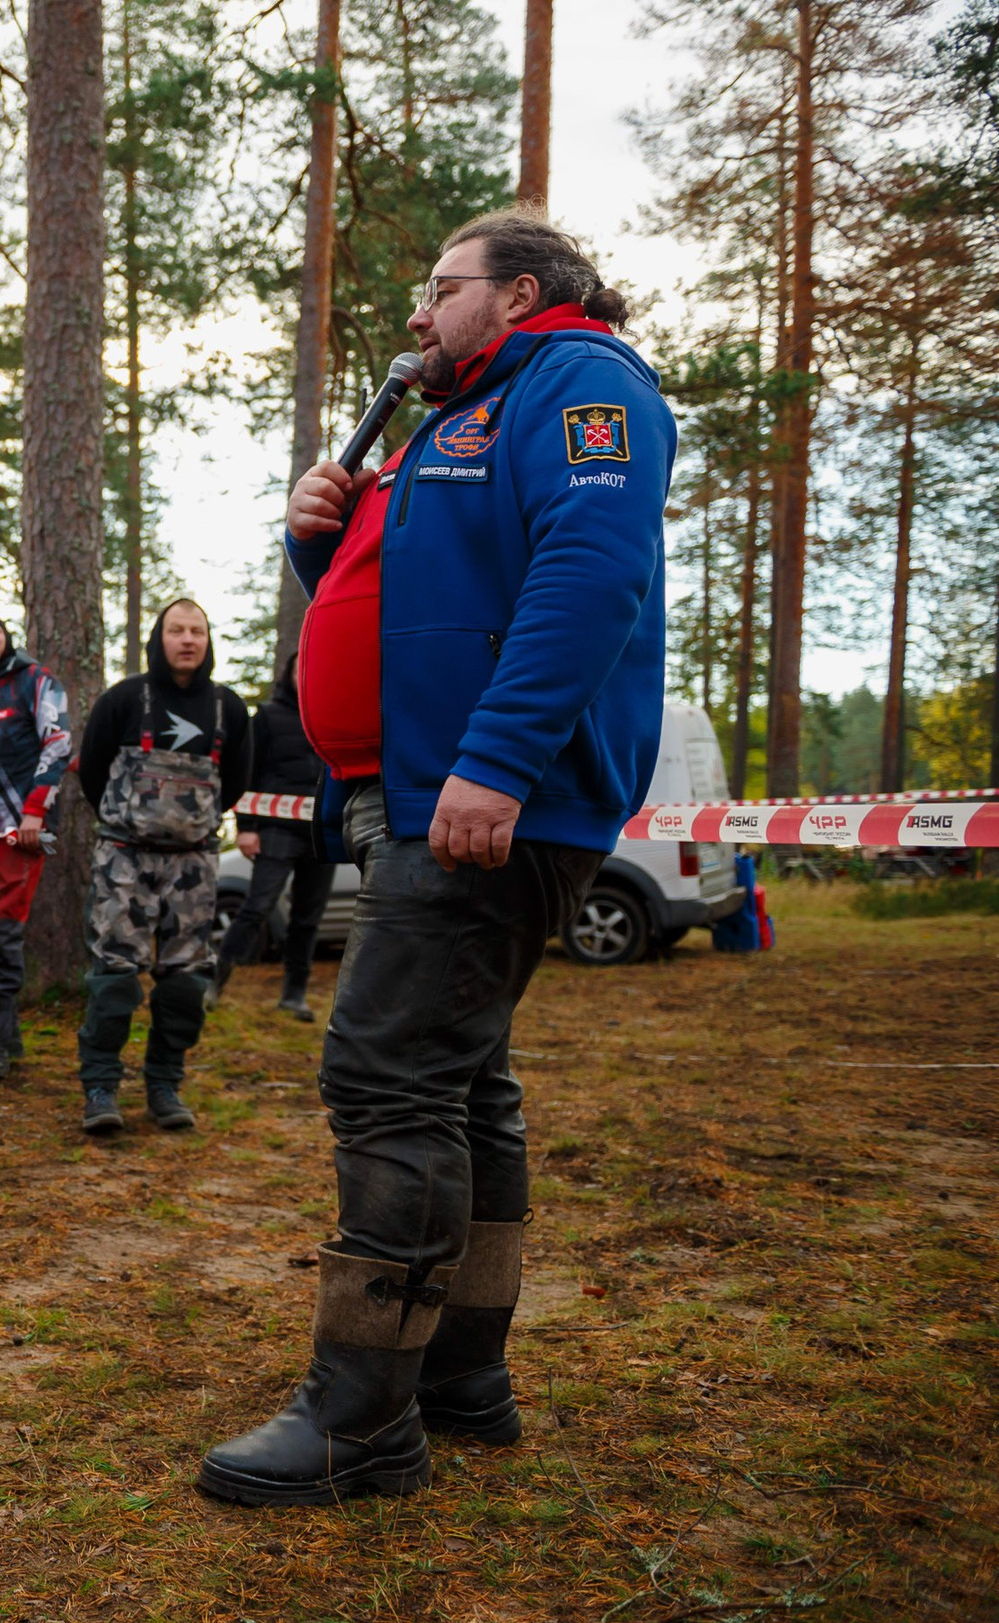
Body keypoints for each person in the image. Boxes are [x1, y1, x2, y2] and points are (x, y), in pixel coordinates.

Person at [199, 210, 673, 1507]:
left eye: (441, 286)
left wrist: (501, 758)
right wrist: (319, 537)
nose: (417, 313)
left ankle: (360, 1420)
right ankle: (461, 1378)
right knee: (462, 1084)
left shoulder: (580, 382)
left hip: (475, 798)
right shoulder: (457, 416)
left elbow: (591, 567)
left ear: (518, 293)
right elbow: (402, 589)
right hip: (403, 792)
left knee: (387, 1072)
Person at [74, 599, 251, 1137]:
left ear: (207, 639)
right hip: (124, 861)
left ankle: (164, 1085)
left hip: (194, 868)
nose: (187, 639)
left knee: (185, 983)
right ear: (161, 637)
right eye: (177, 630)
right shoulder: (125, 699)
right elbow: (92, 772)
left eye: (197, 630)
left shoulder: (229, 708)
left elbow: (238, 781)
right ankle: (101, 1088)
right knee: (114, 980)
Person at [0, 613, 71, 1079]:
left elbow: (59, 743)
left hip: (18, 830)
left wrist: (36, 809)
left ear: (7, 641)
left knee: (1, 934)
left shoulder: (37, 681)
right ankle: (4, 1033)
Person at [212, 664, 334, 1022]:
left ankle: (294, 996)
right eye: (299, 669)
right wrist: (247, 827)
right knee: (257, 907)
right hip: (275, 830)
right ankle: (214, 982)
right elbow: (245, 769)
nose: (305, 674)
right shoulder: (266, 716)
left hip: (320, 833)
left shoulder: (331, 714)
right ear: (288, 675)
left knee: (308, 918)